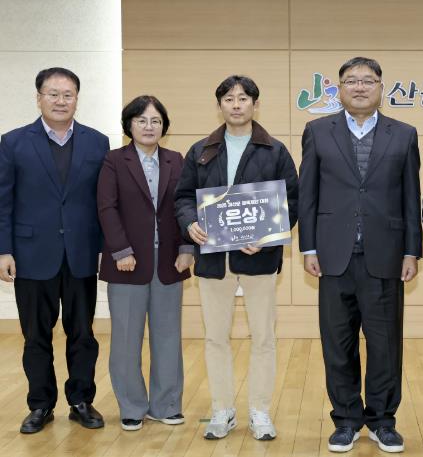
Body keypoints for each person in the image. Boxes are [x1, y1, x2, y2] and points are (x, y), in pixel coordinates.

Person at [298, 56, 422, 453]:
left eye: (368, 80)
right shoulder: (318, 131)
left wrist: (412, 251)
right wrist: (308, 246)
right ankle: (347, 420)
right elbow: (307, 194)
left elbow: (411, 197)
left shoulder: (404, 134)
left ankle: (383, 421)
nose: (360, 87)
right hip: (332, 255)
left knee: (385, 344)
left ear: (381, 87)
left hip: (385, 255)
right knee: (338, 344)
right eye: (351, 80)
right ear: (339, 89)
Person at [174, 75, 298, 441]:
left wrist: (267, 237)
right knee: (215, 337)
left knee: (263, 337)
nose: (236, 104)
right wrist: (190, 224)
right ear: (220, 106)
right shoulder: (201, 150)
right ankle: (222, 410)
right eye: (229, 98)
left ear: (255, 105)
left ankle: (259, 410)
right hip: (214, 261)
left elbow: (291, 202)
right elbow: (183, 197)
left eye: (243, 98)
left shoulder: (275, 151)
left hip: (259, 259)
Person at [0, 67, 109, 433]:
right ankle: (40, 404)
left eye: (68, 95)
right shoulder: (13, 142)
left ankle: (81, 401)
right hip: (31, 255)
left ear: (77, 99)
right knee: (36, 337)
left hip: (81, 253)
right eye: (53, 94)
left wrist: (105, 248)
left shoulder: (97, 142)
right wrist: (3, 250)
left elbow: (104, 201)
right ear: (39, 98)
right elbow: (3, 200)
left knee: (83, 334)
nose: (61, 101)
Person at [97, 95, 193, 431]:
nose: (149, 126)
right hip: (126, 263)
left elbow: (185, 206)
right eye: (141, 120)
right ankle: (132, 406)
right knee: (126, 339)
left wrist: (187, 248)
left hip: (170, 262)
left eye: (155, 121)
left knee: (168, 337)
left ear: (164, 126)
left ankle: (166, 405)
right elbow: (106, 208)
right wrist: (120, 250)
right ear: (129, 125)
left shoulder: (175, 160)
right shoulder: (113, 160)